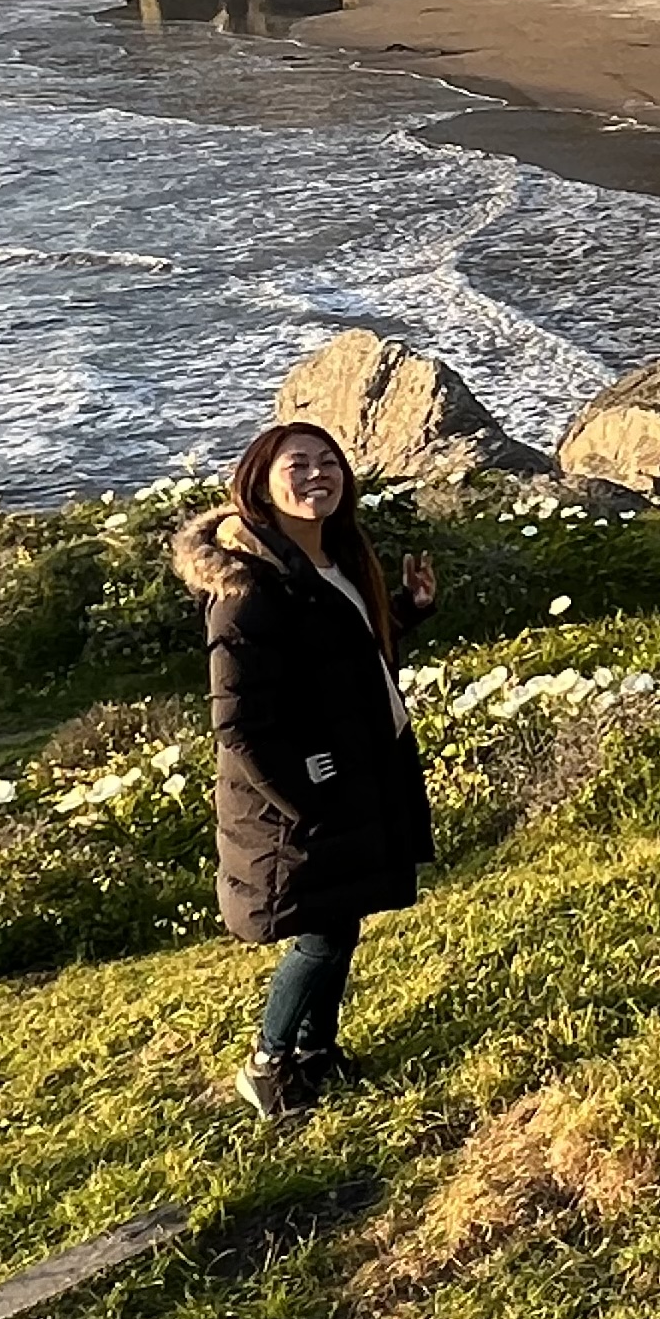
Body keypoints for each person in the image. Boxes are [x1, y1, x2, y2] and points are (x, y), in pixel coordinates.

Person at [172, 421, 438, 1120]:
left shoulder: (331, 561)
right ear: (259, 482)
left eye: (329, 462)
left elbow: (334, 656)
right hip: (299, 801)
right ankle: (268, 1061)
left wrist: (407, 610)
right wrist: (306, 793)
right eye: (298, 464)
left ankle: (315, 1054)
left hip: (350, 776)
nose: (318, 474)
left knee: (339, 923)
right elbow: (237, 723)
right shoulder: (249, 587)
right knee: (320, 934)